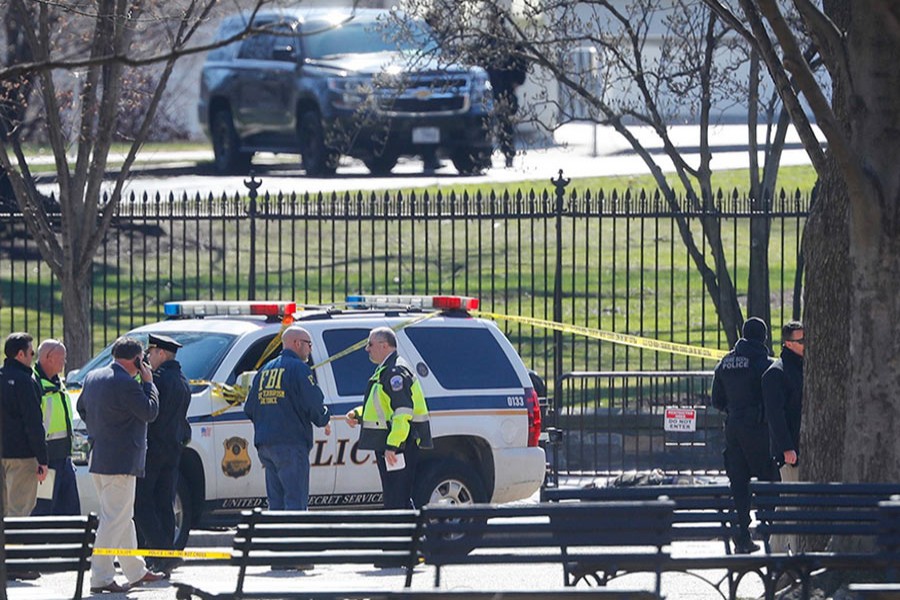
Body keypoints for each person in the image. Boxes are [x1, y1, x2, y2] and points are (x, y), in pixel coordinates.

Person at [76, 336, 165, 594]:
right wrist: (149, 383)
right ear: (137, 359)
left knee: (122, 518)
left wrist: (103, 428)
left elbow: (83, 409)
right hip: (121, 460)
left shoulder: (93, 376)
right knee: (114, 519)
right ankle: (101, 577)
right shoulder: (127, 383)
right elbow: (150, 411)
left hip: (100, 455)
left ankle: (135, 571)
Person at [244, 326, 331, 512]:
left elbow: (249, 408)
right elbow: (313, 402)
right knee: (295, 503)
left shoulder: (264, 370)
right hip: (291, 445)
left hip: (266, 445)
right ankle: (294, 540)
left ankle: (277, 540)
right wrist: (324, 418)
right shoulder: (300, 369)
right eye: (309, 344)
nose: (310, 349)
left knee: (276, 504)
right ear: (297, 343)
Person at [346, 327, 433, 511]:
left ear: (384, 345)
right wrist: (358, 414)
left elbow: (402, 411)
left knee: (396, 498)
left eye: (369, 344)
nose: (366, 349)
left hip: (400, 445)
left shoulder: (395, 372)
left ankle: (403, 538)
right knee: (396, 497)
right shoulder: (386, 369)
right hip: (395, 442)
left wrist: (393, 446)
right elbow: (383, 407)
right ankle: (408, 537)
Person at [711, 317, 778, 554]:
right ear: (763, 338)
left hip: (733, 430)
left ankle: (742, 537)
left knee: (739, 484)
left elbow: (716, 400)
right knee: (769, 479)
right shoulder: (765, 364)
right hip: (758, 429)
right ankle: (771, 534)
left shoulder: (725, 363)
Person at [135, 334, 191, 576]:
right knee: (164, 503)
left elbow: (148, 411)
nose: (148, 357)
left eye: (150, 352)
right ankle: (166, 556)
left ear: (160, 353)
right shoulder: (182, 380)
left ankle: (161, 551)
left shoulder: (158, 380)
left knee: (142, 503)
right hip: (173, 449)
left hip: (153, 449)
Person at [1, 332, 48, 581]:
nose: (33, 357)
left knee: (5, 509)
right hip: (22, 456)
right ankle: (15, 564)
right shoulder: (25, 381)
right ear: (21, 354)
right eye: (31, 353)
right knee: (20, 511)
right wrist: (42, 458)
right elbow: (33, 423)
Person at [762, 320, 804, 552]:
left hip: (799, 447)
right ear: (788, 343)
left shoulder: (801, 367)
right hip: (790, 451)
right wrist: (787, 448)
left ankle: (776, 555)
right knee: (793, 505)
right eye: (801, 341)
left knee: (787, 506)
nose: (806, 344)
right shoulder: (776, 374)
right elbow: (775, 416)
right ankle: (794, 555)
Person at [32, 339, 81, 516]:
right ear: (48, 357)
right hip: (46, 462)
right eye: (62, 358)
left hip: (64, 459)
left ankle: (70, 543)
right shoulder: (34, 384)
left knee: (70, 509)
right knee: (44, 509)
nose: (64, 362)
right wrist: (40, 459)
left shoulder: (57, 383)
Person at [484, 10, 527, 168]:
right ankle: (485, 155)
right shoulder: (486, 42)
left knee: (505, 125)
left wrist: (516, 81)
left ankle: (508, 154)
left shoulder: (510, 42)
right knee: (486, 124)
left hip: (505, 89)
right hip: (489, 89)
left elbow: (521, 62)